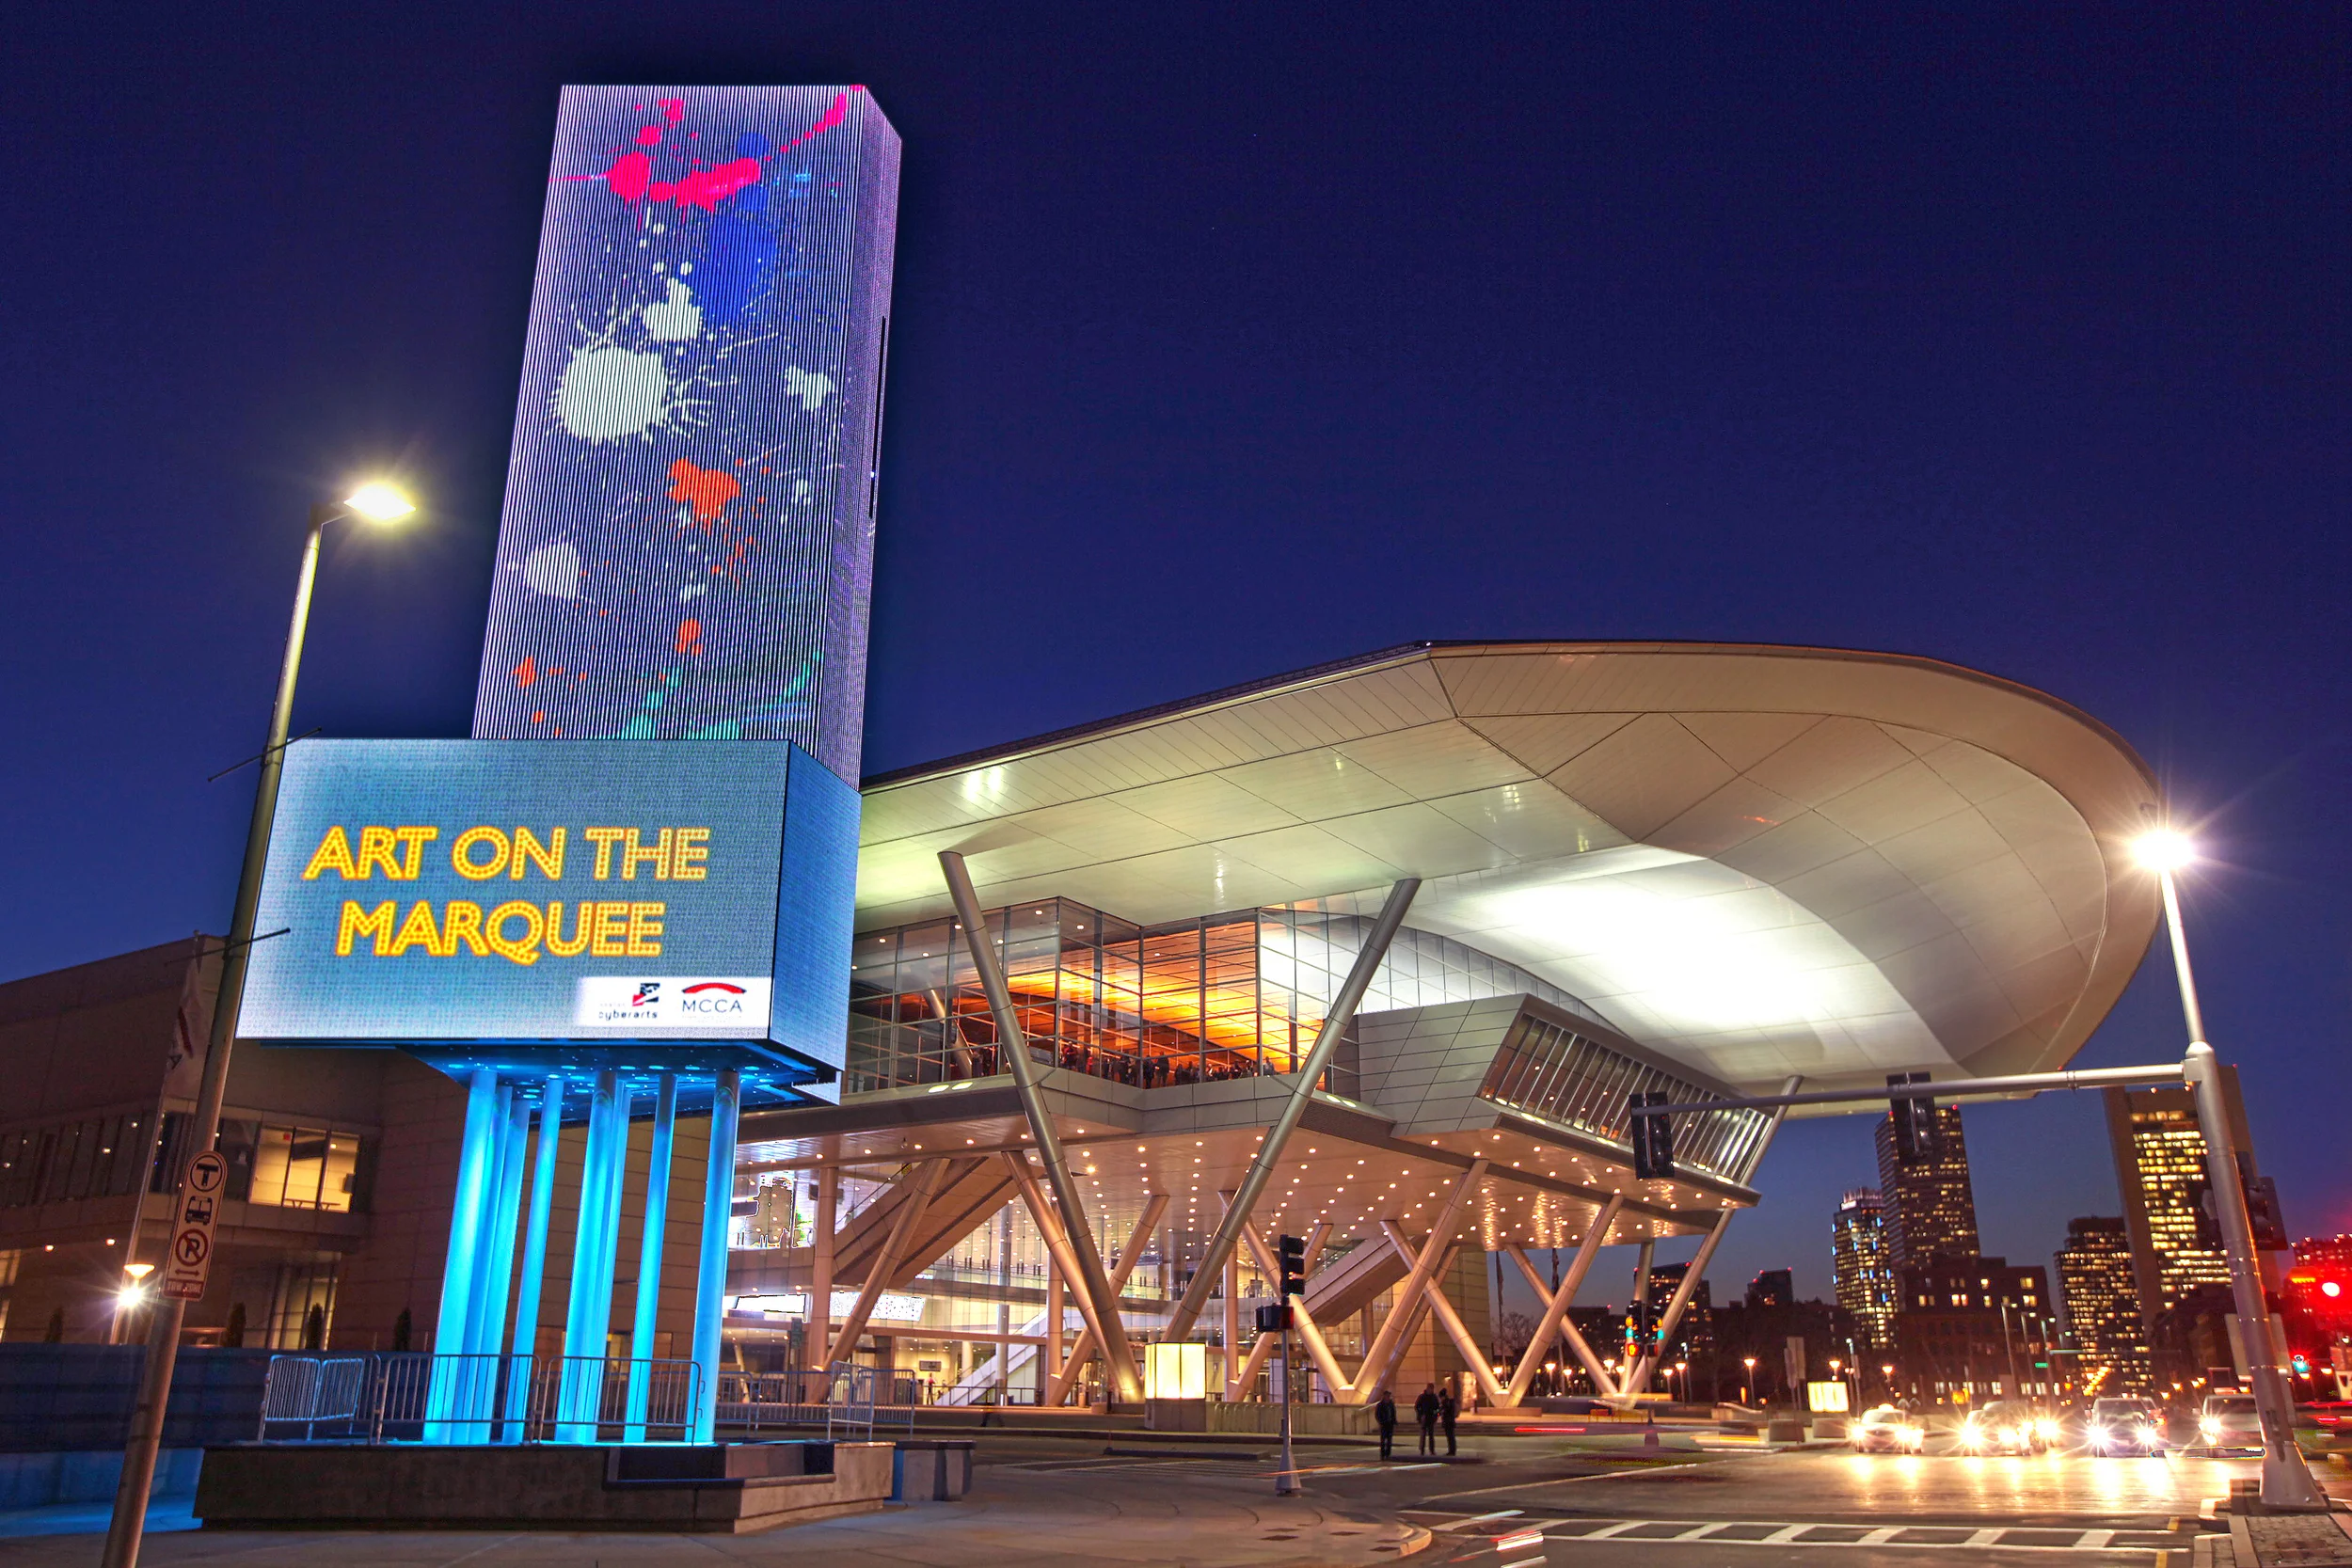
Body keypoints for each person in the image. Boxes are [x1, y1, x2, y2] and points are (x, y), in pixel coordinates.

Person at [1414, 1383, 1441, 1456]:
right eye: (1430, 1389)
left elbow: (1438, 1408)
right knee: (1423, 1435)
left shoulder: (1434, 1397)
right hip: (1425, 1417)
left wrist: (1436, 1415)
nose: (1431, 1390)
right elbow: (1417, 1406)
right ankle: (1422, 1450)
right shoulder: (1422, 1397)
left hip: (1431, 1418)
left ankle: (1431, 1450)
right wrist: (1421, 1414)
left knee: (1431, 1435)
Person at [1374, 1386, 1397, 1459]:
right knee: (1383, 1440)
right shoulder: (1380, 1405)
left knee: (1389, 1440)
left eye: (1388, 1396)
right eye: (1387, 1396)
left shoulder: (1391, 1404)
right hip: (1384, 1424)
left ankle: (1388, 1454)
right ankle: (1383, 1454)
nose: (1388, 1397)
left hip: (1390, 1424)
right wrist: (1380, 1421)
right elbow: (1377, 1414)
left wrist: (1394, 1421)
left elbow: (1393, 1413)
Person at [1440, 1383, 1459, 1457]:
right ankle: (1452, 1450)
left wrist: (1439, 1413)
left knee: (1450, 1437)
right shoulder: (1449, 1402)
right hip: (1450, 1422)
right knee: (1451, 1437)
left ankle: (1451, 1451)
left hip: (1448, 1422)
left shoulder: (1446, 1403)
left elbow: (1444, 1412)